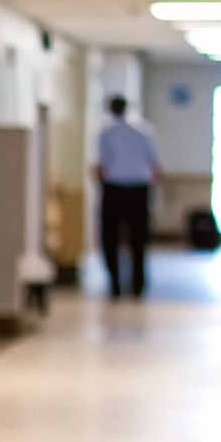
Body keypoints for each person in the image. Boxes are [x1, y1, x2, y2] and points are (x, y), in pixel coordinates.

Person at [93, 96, 162, 297]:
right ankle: (138, 283)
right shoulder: (144, 131)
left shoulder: (106, 133)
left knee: (110, 239)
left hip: (114, 188)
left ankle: (114, 283)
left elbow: (100, 166)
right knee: (138, 239)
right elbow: (155, 164)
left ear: (110, 109)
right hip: (139, 189)